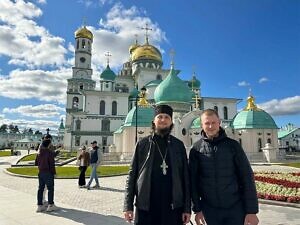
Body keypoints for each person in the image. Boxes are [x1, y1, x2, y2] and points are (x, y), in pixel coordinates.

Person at [189, 109, 259, 225]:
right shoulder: (196, 149)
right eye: (207, 123)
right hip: (209, 210)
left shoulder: (233, 146)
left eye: (213, 122)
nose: (210, 126)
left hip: (235, 208)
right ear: (202, 125)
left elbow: (246, 177)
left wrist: (251, 211)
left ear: (219, 122)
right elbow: (193, 182)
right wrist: (197, 210)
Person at [124, 104, 191, 225]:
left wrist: (187, 208)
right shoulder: (142, 144)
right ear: (154, 121)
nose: (163, 120)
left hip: (173, 206)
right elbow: (132, 176)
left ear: (171, 122)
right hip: (146, 206)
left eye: (167, 117)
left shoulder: (178, 145)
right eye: (160, 117)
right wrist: (127, 206)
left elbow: (185, 178)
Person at [35, 134, 58, 212]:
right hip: (48, 173)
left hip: (40, 172)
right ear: (48, 144)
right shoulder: (49, 152)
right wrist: (54, 173)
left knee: (40, 189)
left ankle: (39, 205)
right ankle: (50, 205)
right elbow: (51, 164)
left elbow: (36, 162)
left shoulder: (39, 152)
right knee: (50, 189)